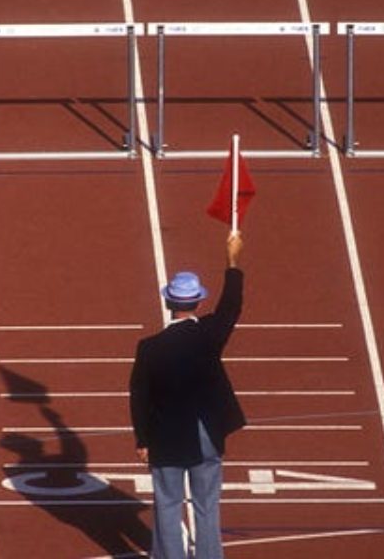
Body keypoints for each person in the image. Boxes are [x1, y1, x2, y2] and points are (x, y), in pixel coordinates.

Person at [129, 232, 247, 558]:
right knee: (206, 503)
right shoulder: (209, 335)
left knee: (167, 504)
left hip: (166, 438)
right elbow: (232, 305)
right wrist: (232, 259)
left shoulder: (149, 348)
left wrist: (142, 440)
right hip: (207, 432)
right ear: (197, 301)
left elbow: (139, 396)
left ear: (169, 302)